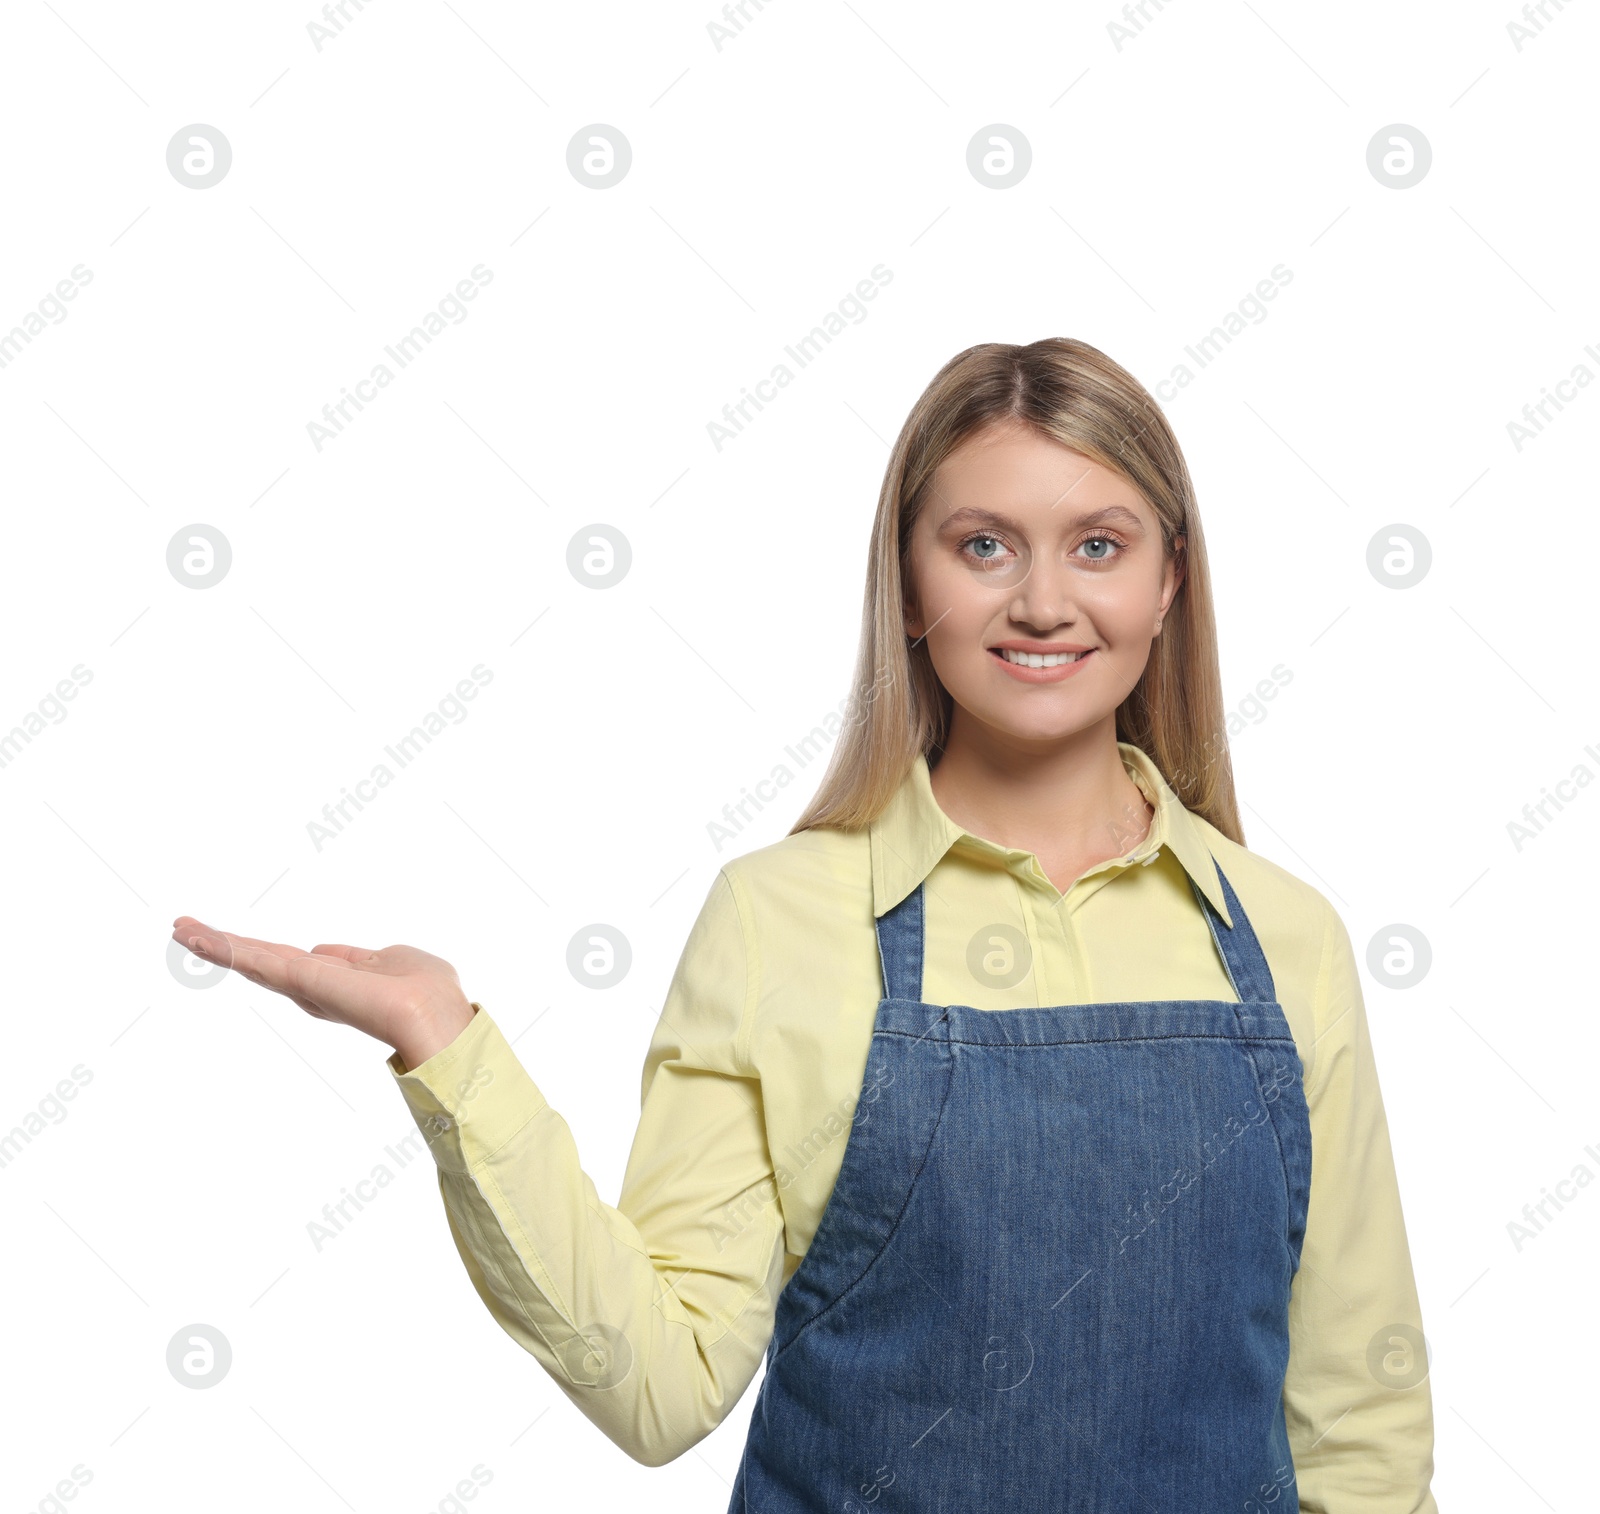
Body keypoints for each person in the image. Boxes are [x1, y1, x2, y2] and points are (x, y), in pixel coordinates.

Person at [173, 338, 1438, 1512]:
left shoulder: (1284, 936)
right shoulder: (780, 918)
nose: (1044, 601)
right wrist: (447, 1046)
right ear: (905, 584)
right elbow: (659, 1384)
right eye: (984, 545)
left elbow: (1358, 1418)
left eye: (1097, 546)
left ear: (1170, 582)